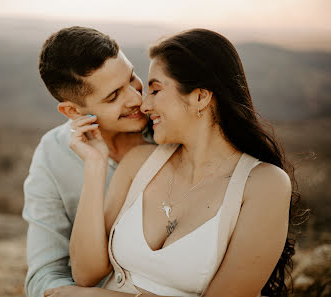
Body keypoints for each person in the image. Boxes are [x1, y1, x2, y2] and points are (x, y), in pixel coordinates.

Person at [45, 29, 299, 297]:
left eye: (154, 90)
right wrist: (95, 165)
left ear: (200, 97)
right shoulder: (139, 163)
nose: (143, 105)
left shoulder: (264, 185)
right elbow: (86, 274)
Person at [22, 26, 155, 297]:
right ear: (72, 110)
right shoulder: (52, 154)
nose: (136, 98)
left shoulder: (170, 130)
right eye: (113, 96)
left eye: (132, 77)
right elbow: (44, 275)